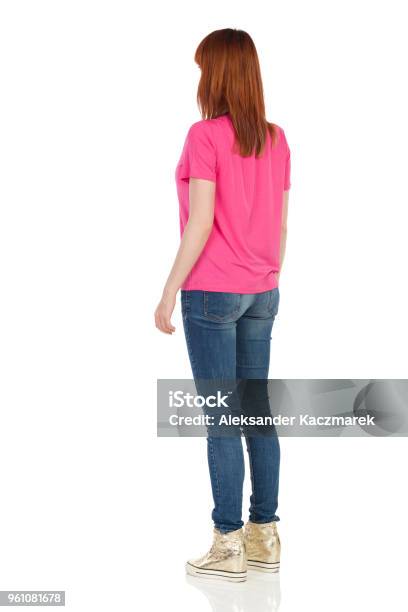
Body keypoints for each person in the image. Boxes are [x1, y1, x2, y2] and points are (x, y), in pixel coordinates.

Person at [155, 28, 291, 582]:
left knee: (221, 420)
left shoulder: (204, 135)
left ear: (215, 74)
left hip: (211, 293)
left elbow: (203, 220)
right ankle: (266, 535)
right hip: (263, 290)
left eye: (201, 69)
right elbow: (281, 224)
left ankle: (228, 542)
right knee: (255, 414)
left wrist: (168, 291)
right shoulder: (276, 138)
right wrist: (268, 276)